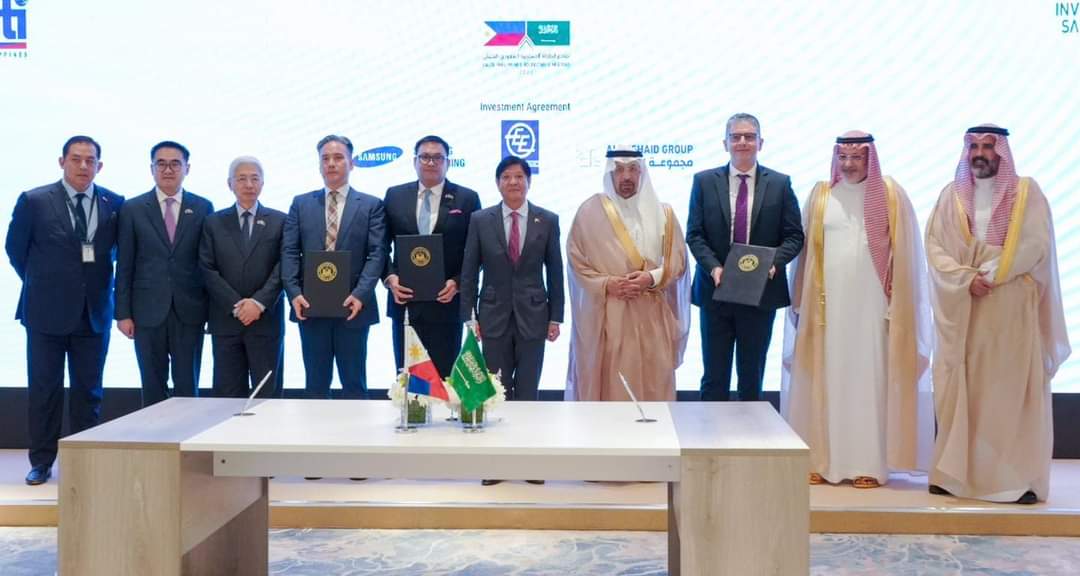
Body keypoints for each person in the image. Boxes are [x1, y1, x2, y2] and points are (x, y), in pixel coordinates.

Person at [925, 125, 1069, 504]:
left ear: (1001, 152)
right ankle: (955, 476)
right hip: (966, 310)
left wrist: (991, 274)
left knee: (1006, 395)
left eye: (988, 146)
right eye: (974, 146)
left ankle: (1012, 481)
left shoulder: (1026, 194)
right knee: (964, 391)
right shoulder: (951, 197)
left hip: (1009, 309)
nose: (980, 153)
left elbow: (1034, 244)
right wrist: (965, 279)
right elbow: (935, 247)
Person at [782, 131, 932, 489]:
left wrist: (899, 305)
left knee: (869, 382)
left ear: (870, 158)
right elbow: (805, 256)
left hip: (873, 309)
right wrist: (800, 301)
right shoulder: (821, 195)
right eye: (843, 157)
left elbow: (907, 256)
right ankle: (823, 460)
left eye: (857, 157)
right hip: (827, 311)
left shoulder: (891, 195)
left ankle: (870, 464)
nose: (849, 164)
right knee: (827, 380)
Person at [5, 136, 124, 485]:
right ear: (62, 162)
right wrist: (46, 283)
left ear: (99, 165)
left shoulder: (114, 203)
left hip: (94, 313)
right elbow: (15, 250)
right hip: (45, 313)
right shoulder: (35, 201)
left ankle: (84, 462)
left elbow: (117, 254)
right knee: (45, 391)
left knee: (89, 393)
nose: (83, 166)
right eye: (76, 159)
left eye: (90, 160)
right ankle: (41, 461)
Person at [686, 113, 804, 401]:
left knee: (752, 378)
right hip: (715, 291)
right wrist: (714, 268)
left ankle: (750, 432)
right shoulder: (703, 181)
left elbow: (794, 236)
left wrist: (773, 263)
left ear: (760, 143)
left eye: (749, 137)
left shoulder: (780, 183)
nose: (742, 142)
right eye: (736, 136)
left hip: (760, 293)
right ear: (725, 143)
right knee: (714, 378)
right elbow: (695, 234)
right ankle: (711, 431)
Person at [565, 147, 690, 402]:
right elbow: (577, 263)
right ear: (610, 173)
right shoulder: (589, 213)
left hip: (651, 316)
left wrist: (651, 278)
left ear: (642, 172)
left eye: (633, 169)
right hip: (610, 318)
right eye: (619, 170)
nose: (626, 177)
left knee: (654, 386)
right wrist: (607, 284)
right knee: (613, 387)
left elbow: (678, 262)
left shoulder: (664, 214)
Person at [281, 135, 386, 400]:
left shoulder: (371, 205)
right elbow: (290, 252)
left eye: (338, 158)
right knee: (315, 385)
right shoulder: (301, 204)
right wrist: (294, 293)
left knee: (354, 384)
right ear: (319, 165)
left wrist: (360, 294)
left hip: (353, 307)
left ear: (351, 163)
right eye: (325, 158)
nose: (331, 163)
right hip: (310, 306)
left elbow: (377, 254)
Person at [115, 141, 213, 406]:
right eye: (161, 164)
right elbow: (124, 264)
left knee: (187, 385)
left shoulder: (203, 207)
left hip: (189, 310)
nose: (168, 170)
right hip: (146, 311)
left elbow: (207, 263)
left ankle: (188, 432)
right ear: (152, 169)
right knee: (152, 384)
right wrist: (122, 313)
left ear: (187, 168)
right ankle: (154, 433)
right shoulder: (133, 208)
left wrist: (211, 312)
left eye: (175, 164)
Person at [460, 155, 564, 402]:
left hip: (534, 316)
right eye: (506, 177)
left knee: (528, 390)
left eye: (519, 177)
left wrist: (555, 317)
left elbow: (555, 271)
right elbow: (469, 272)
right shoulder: (480, 220)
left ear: (529, 182)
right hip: (492, 317)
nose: (513, 182)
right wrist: (469, 317)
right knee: (497, 391)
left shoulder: (547, 220)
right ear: (498, 183)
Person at [382, 135, 480, 377]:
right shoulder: (395, 196)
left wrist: (458, 282)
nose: (431, 162)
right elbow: (380, 247)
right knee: (408, 381)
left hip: (447, 304)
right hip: (405, 302)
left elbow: (476, 253)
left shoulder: (467, 198)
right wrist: (390, 279)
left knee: (445, 380)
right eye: (425, 157)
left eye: (438, 157)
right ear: (415, 161)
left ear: (448, 162)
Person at [199, 156, 285, 398]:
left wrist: (258, 303)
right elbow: (206, 268)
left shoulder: (280, 221)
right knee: (226, 398)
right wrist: (236, 306)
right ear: (230, 184)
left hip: (265, 321)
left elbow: (284, 266)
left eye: (254, 178)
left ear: (262, 183)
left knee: (267, 398)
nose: (249, 184)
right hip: (226, 321)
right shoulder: (213, 222)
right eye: (241, 178)